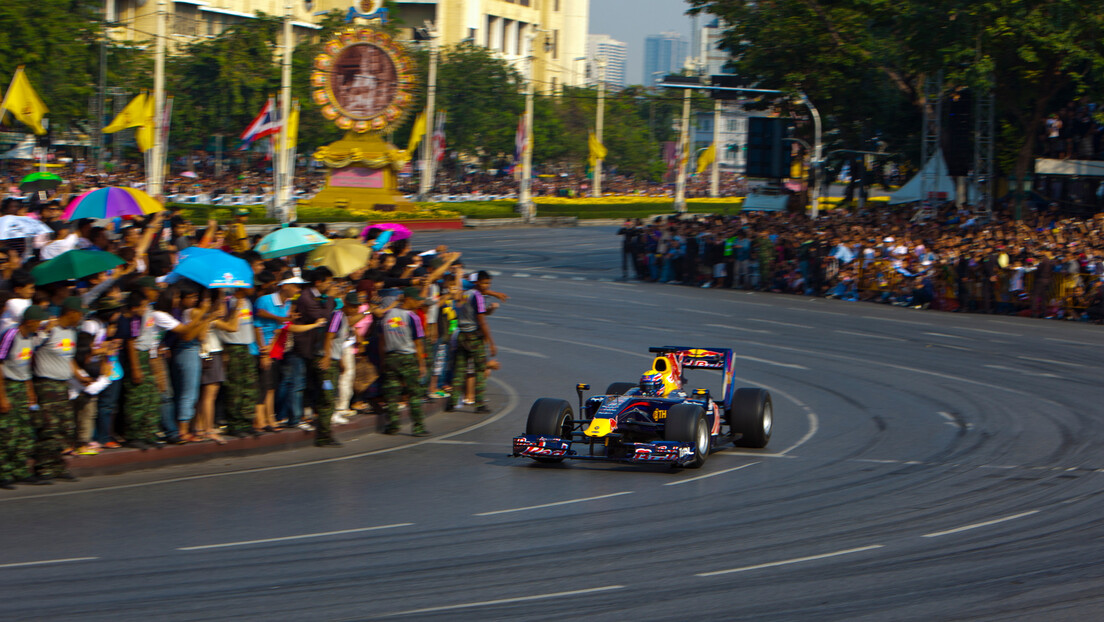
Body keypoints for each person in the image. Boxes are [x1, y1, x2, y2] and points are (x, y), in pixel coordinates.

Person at [31, 297, 86, 483]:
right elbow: (31, 347)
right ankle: (43, 469)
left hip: (63, 385)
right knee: (49, 428)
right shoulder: (49, 328)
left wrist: (78, 375)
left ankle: (57, 466)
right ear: (71, 312)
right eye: (79, 314)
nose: (81, 318)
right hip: (46, 385)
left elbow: (68, 357)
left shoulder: (71, 332)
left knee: (65, 428)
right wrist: (43, 332)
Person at [0, 306, 46, 488]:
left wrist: (30, 391)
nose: (41, 326)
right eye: (39, 322)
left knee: (24, 432)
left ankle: (20, 471)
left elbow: (25, 366)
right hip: (8, 386)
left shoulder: (31, 338)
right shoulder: (11, 335)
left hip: (22, 386)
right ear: (29, 322)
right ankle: (3, 473)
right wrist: (2, 397)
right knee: (7, 433)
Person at [446, 271, 496, 413]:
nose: (486, 286)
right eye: (485, 283)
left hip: (462, 334)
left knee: (459, 369)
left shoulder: (466, 294)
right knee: (480, 369)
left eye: (488, 283)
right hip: (474, 336)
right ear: (478, 282)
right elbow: (481, 320)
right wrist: (490, 342)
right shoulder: (478, 296)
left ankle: (452, 402)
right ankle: (479, 404)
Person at [381, 288, 428, 436]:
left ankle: (393, 425)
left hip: (391, 357)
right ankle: (418, 427)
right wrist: (421, 364)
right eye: (416, 300)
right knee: (414, 393)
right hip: (408, 358)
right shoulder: (412, 317)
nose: (418, 303)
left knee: (392, 394)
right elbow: (418, 343)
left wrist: (383, 359)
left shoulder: (389, 314)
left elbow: (381, 339)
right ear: (408, 299)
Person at [217, 286, 261, 437]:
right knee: (234, 388)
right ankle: (234, 424)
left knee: (249, 386)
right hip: (232, 347)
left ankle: (246, 421)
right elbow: (226, 324)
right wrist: (235, 307)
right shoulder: (227, 301)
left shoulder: (247, 302)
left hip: (246, 347)